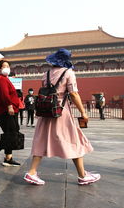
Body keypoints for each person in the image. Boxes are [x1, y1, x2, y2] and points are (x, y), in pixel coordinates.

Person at [24, 48, 100, 186]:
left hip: (46, 112)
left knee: (41, 140)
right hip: (60, 112)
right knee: (73, 139)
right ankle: (82, 175)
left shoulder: (45, 74)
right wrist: (83, 112)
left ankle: (32, 172)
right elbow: (74, 94)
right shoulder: (68, 73)